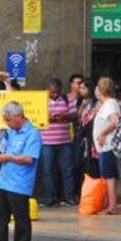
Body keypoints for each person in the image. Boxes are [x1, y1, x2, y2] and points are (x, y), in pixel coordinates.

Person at [0, 101, 42, 241]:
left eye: (9, 120)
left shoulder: (32, 134)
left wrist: (7, 157)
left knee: (21, 218)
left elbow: (28, 158)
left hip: (19, 183)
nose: (7, 123)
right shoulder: (10, 132)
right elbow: (2, 149)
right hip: (3, 180)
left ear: (19, 117)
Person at [39, 77, 78, 207]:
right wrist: (47, 117)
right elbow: (33, 117)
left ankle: (69, 197)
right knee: (47, 171)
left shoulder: (68, 100)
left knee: (67, 170)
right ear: (47, 90)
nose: (54, 95)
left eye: (57, 92)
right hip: (46, 142)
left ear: (61, 90)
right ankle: (49, 199)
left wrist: (64, 116)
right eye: (52, 92)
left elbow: (75, 116)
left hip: (64, 142)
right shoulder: (40, 101)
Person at [93, 77, 121, 214]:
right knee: (109, 176)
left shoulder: (109, 104)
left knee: (108, 177)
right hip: (105, 147)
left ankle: (112, 206)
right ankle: (111, 204)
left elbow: (115, 121)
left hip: (108, 146)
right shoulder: (108, 103)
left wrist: (102, 133)